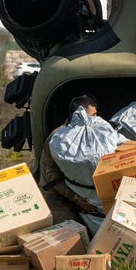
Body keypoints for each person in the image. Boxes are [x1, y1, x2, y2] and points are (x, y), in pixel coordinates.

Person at [36, 94, 103, 225]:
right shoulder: (58, 138)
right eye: (91, 116)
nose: (95, 120)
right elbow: (51, 175)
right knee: (76, 235)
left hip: (75, 197)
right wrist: (75, 198)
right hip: (55, 198)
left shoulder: (83, 133)